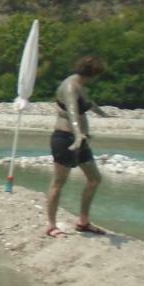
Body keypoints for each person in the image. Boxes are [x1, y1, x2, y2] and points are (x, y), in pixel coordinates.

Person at [45, 55, 112, 238]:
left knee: (94, 178)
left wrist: (104, 115)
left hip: (80, 141)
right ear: (91, 74)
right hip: (65, 139)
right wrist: (78, 134)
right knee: (58, 183)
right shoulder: (70, 87)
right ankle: (51, 226)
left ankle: (83, 221)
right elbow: (74, 113)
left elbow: (88, 105)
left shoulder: (80, 86)